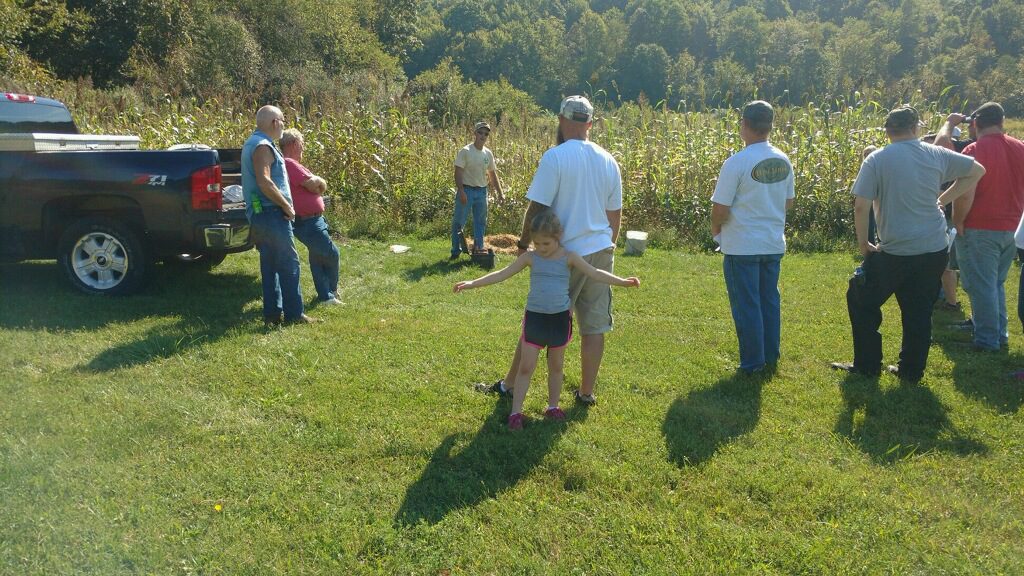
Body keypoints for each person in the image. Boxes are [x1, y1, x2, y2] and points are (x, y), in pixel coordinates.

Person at [478, 95, 623, 406]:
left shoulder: (555, 157)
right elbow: (615, 214)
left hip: (564, 256)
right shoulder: (609, 160)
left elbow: (537, 207)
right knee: (594, 325)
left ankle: (510, 386)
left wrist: (522, 244)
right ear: (590, 124)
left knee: (539, 320)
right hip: (600, 251)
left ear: (561, 120)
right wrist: (608, 244)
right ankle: (586, 393)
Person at [831, 105, 985, 381]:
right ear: (916, 128)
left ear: (888, 131)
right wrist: (944, 199)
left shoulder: (877, 159)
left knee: (861, 299)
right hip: (934, 248)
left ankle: (867, 365)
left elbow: (861, 205)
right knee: (919, 310)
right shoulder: (936, 153)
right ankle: (911, 371)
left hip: (895, 250)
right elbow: (976, 171)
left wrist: (864, 242)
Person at [455, 210, 639, 429]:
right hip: (535, 320)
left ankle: (552, 407)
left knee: (556, 367)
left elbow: (595, 273)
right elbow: (501, 274)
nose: (541, 249)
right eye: (537, 244)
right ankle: (516, 412)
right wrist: (472, 283)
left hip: (559, 321)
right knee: (526, 367)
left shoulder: (569, 257)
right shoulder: (530, 258)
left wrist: (623, 281)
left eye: (546, 244)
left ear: (558, 236)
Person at [710, 101, 795, 375]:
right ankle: (770, 356)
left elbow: (720, 209)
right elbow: (789, 202)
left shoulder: (736, 162)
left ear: (744, 125)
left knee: (747, 304)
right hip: (772, 242)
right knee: (769, 300)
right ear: (770, 126)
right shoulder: (783, 159)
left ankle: (752, 363)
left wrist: (716, 231)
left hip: (742, 245)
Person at [948, 102, 1024, 351]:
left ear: (975, 123)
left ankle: (987, 340)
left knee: (980, 286)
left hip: (980, 226)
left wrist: (958, 220)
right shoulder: (1020, 147)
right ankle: (999, 334)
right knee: (995, 284)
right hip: (1012, 228)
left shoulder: (974, 149)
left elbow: (965, 192)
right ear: (1001, 122)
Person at [241, 105, 315, 326]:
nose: (284, 124)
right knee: (289, 264)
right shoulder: (263, 146)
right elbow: (265, 182)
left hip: (260, 215)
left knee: (270, 264)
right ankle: (294, 314)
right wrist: (287, 206)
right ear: (274, 123)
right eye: (283, 120)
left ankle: (272, 314)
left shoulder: (252, 143)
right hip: (272, 214)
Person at [280, 128, 342, 306]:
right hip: (307, 220)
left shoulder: (291, 164)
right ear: (293, 144)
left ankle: (326, 295)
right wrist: (319, 182)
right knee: (331, 253)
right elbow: (314, 185)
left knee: (317, 255)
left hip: (312, 219)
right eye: (302, 144)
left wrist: (318, 184)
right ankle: (330, 292)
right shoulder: (290, 163)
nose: (303, 148)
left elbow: (316, 186)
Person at [451, 121, 504, 259]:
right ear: (474, 133)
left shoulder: (488, 154)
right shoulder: (466, 151)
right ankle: (455, 252)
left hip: (482, 192)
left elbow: (492, 174)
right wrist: (461, 190)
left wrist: (500, 193)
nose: (483, 136)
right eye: (480, 132)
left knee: (480, 222)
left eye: (486, 134)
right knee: (459, 222)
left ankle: (478, 249)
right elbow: (458, 172)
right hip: (467, 190)